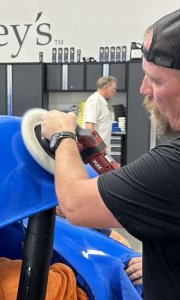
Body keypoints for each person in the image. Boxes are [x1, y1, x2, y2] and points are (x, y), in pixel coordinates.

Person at [41, 9, 180, 300]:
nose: (143, 89)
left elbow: (76, 205)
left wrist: (61, 136)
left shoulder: (173, 163)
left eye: (156, 81)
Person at [82, 76, 117, 154]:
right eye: (114, 89)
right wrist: (95, 149)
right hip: (96, 150)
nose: (115, 91)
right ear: (106, 87)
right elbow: (89, 125)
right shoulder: (94, 100)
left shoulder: (101, 101)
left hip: (101, 149)